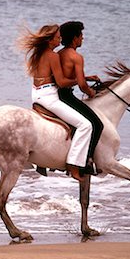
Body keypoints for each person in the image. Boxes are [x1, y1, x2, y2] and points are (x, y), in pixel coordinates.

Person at [18, 24, 95, 182]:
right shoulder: (52, 56)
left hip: (37, 94)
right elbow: (61, 82)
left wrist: (85, 78)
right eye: (57, 37)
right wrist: (80, 80)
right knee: (85, 125)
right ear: (49, 40)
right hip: (49, 97)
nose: (60, 39)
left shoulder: (38, 54)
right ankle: (74, 165)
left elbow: (52, 78)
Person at [58, 21, 104, 175]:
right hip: (66, 95)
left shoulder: (59, 54)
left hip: (57, 93)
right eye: (81, 35)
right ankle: (86, 161)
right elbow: (81, 86)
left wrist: (88, 77)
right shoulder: (77, 57)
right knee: (96, 124)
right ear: (74, 38)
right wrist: (91, 92)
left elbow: (67, 75)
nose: (82, 39)